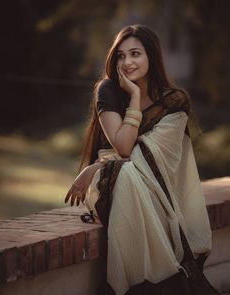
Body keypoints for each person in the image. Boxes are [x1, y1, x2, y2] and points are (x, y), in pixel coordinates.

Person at [65, 24, 219, 295]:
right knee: (127, 176)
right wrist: (134, 99)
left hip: (151, 186)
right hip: (110, 182)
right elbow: (124, 147)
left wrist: (96, 166)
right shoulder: (108, 90)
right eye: (121, 56)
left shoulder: (174, 102)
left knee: (132, 176)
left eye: (135, 54)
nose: (127, 62)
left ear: (151, 56)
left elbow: (154, 159)